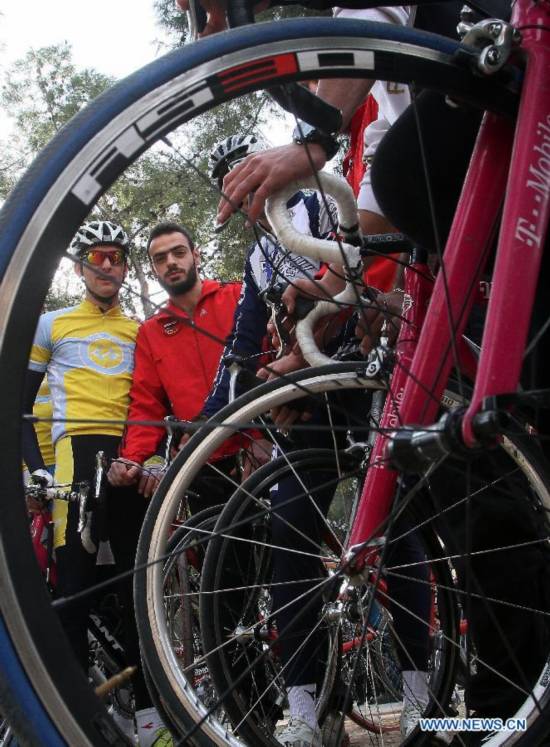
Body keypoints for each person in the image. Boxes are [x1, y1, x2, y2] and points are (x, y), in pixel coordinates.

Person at [21, 220, 161, 747]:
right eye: (98, 257)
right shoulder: (51, 325)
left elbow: (156, 404)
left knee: (134, 590)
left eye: (117, 258)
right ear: (80, 267)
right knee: (73, 592)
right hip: (71, 460)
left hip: (127, 459)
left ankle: (151, 720)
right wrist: (34, 468)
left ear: (126, 269)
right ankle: (77, 718)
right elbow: (18, 411)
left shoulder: (140, 330)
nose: (107, 266)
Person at [107, 221, 242, 506]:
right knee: (219, 551)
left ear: (196, 255)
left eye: (178, 252)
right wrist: (133, 457)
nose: (170, 262)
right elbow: (146, 405)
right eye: (160, 258)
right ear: (154, 269)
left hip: (263, 445)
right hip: (201, 462)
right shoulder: (151, 331)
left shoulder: (239, 298)